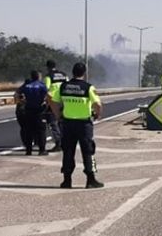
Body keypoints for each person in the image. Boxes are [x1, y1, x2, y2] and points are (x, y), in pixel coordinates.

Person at [47, 61, 103, 189]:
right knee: (88, 151)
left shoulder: (63, 87)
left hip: (67, 124)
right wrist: (97, 115)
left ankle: (67, 181)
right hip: (84, 125)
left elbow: (50, 98)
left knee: (68, 152)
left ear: (73, 72)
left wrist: (57, 114)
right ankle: (90, 180)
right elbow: (98, 105)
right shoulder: (88, 87)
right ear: (84, 73)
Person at [15, 70, 49, 155]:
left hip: (28, 110)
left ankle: (28, 150)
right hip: (39, 111)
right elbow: (48, 96)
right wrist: (46, 104)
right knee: (41, 131)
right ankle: (42, 150)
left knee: (28, 131)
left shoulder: (26, 86)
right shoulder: (42, 85)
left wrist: (22, 102)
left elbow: (16, 94)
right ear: (38, 77)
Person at [42, 60, 68, 151]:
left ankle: (58, 143)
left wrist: (46, 103)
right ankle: (65, 141)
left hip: (53, 102)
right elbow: (68, 86)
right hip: (64, 101)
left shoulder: (48, 76)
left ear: (47, 67)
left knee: (53, 123)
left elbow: (45, 90)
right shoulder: (64, 75)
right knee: (63, 122)